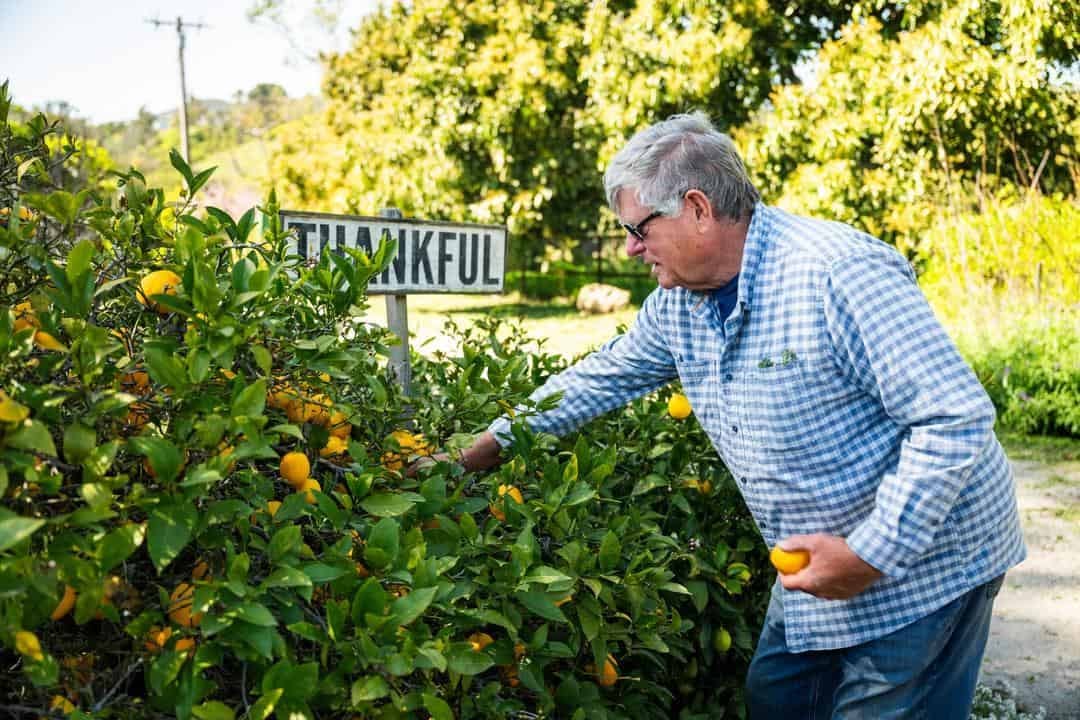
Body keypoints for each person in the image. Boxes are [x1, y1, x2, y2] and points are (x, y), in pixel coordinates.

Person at [424, 111, 1026, 718]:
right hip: (814, 563)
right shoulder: (678, 304)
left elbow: (954, 419)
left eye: (637, 228)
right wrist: (483, 448)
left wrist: (872, 552)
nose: (631, 248)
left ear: (698, 209)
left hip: (927, 564)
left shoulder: (835, 273)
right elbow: (596, 379)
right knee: (777, 702)